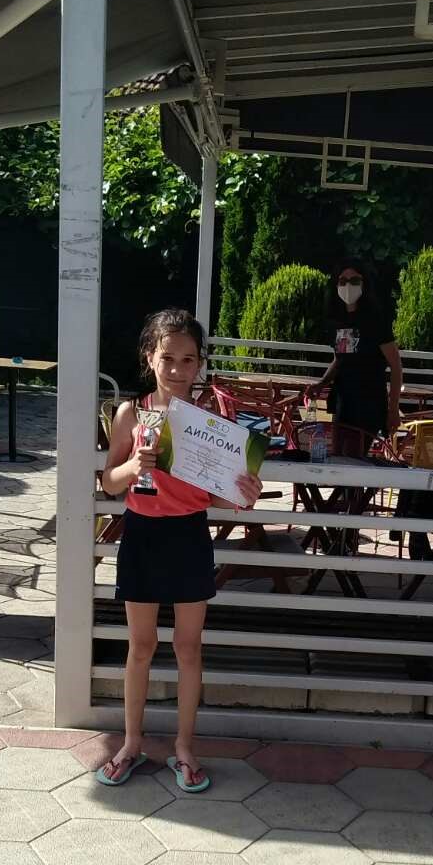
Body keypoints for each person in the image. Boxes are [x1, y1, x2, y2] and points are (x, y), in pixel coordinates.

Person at [97, 309, 262, 794]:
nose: (176, 368)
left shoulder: (212, 423)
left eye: (188, 359)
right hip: (142, 536)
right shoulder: (131, 414)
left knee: (189, 648)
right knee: (141, 646)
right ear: (150, 357)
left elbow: (216, 495)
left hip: (190, 536)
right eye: (167, 357)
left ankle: (185, 747)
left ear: (199, 364)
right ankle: (130, 743)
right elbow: (109, 483)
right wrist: (133, 466)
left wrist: (244, 495)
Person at [315, 259, 402, 451]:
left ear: (364, 284)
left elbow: (396, 366)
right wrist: (321, 383)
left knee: (355, 458)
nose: (348, 286)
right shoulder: (337, 321)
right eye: (343, 281)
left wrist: (393, 408)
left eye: (354, 281)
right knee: (338, 456)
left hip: (368, 403)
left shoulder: (376, 321)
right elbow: (340, 358)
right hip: (343, 401)